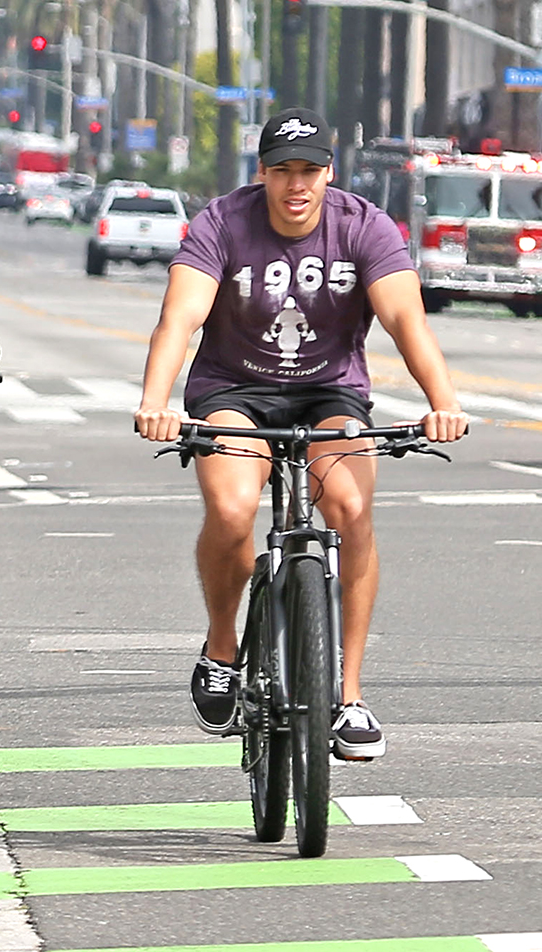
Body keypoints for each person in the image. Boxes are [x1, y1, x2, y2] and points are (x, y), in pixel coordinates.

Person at [134, 107, 468, 760]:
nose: (297, 185)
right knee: (231, 508)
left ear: (329, 173)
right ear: (261, 174)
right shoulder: (223, 222)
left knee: (349, 506)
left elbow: (406, 320)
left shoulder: (363, 225)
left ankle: (348, 695)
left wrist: (443, 403)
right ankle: (224, 648)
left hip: (329, 392)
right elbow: (180, 317)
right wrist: (156, 401)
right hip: (234, 388)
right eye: (283, 171)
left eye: (309, 171)